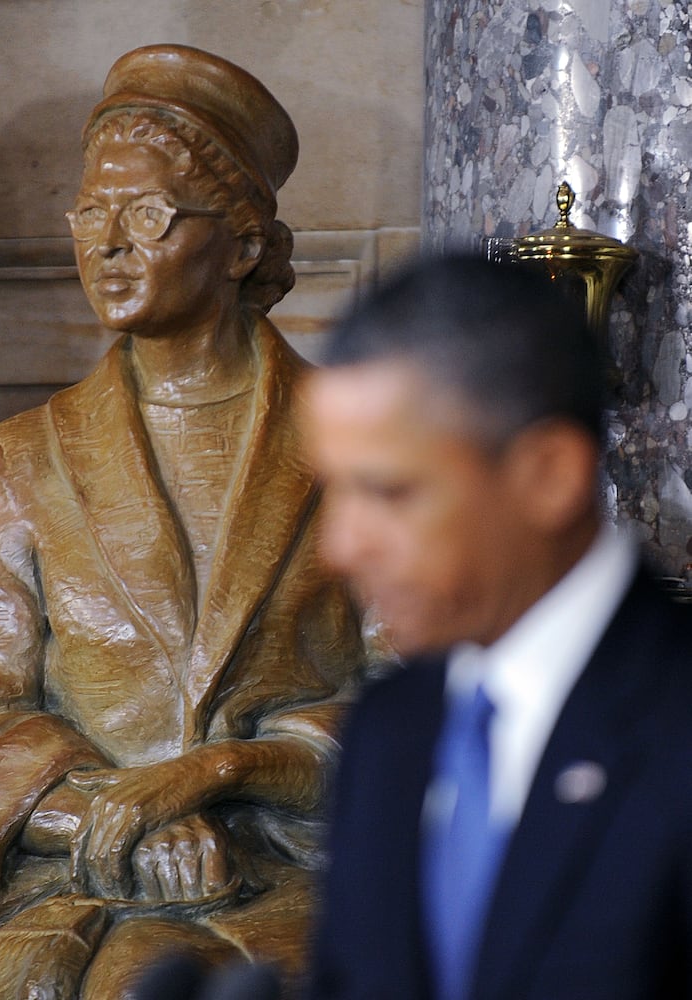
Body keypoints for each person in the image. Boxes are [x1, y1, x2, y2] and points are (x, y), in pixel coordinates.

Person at [0, 45, 365, 1000]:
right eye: (89, 215)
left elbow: (428, 698)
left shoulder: (357, 446)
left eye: (147, 214)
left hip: (305, 872)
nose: (105, 244)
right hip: (80, 884)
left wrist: (225, 771)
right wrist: (107, 820)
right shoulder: (25, 456)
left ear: (240, 245)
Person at [301, 254, 692, 1000]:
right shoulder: (388, 730)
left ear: (548, 474)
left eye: (388, 491)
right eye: (333, 491)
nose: (340, 546)